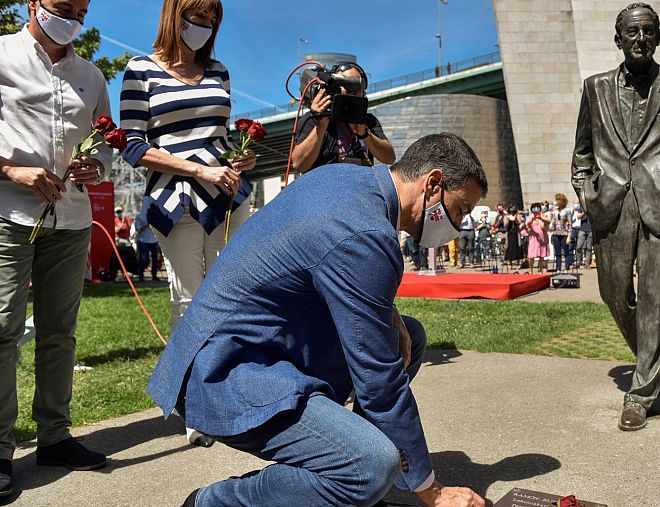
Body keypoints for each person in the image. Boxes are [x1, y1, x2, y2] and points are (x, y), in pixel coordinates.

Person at [147, 133, 487, 507]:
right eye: (460, 209)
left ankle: (359, 487)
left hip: (251, 344)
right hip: (224, 371)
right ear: (433, 183)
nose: (456, 223)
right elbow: (380, 384)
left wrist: (385, 310)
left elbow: (325, 253)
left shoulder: (349, 182)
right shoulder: (367, 232)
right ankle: (216, 502)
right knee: (371, 465)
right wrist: (433, 492)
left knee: (410, 336)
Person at [120, 0, 256, 447]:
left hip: (226, 194)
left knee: (234, 297)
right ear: (173, 16)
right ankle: (196, 403)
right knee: (190, 299)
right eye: (196, 18)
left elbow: (219, 135)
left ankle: (232, 390)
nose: (203, 27)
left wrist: (242, 155)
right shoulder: (140, 70)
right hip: (175, 197)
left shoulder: (219, 70)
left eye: (211, 21)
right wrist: (197, 169)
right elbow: (134, 147)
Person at [571, 3, 660, 431]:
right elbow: (582, 151)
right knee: (614, 295)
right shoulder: (594, 88)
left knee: (656, 301)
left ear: (658, 36)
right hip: (611, 207)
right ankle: (655, 355)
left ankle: (642, 391)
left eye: (648, 31)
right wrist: (587, 188)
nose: (641, 39)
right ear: (618, 39)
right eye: (632, 32)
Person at [0, 0, 111, 493]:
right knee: (2, 329)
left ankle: (54, 435)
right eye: (62, 8)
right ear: (33, 5)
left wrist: (97, 167)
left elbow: (107, 143)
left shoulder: (91, 75)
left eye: (80, 11)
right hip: (8, 213)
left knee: (59, 331)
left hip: (72, 218)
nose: (72, 19)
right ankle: (0, 448)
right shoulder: (2, 54)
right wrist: (10, 169)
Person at [290, 61, 395, 173]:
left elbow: (389, 158)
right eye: (346, 86)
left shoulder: (368, 120)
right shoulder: (313, 119)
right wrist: (321, 125)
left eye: (356, 88)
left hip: (360, 187)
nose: (351, 93)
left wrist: (364, 133)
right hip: (326, 187)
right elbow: (298, 165)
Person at [134, 205, 161, 282]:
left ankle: (154, 275)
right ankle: (141, 276)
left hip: (153, 240)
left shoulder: (155, 216)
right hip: (143, 240)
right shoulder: (139, 217)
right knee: (143, 259)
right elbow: (138, 229)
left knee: (155, 258)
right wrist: (148, 224)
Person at [549, 193, 574, 272]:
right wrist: (552, 232)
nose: (557, 202)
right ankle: (558, 268)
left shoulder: (567, 211)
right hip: (556, 233)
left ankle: (566, 268)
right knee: (557, 252)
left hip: (565, 233)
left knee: (566, 251)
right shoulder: (555, 211)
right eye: (556, 200)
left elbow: (570, 223)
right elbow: (553, 222)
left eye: (558, 200)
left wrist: (569, 236)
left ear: (562, 201)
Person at [525, 203, 549, 273]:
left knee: (541, 255)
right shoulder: (530, 216)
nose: (536, 210)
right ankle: (530, 269)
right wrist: (532, 219)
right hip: (533, 238)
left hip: (542, 237)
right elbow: (528, 224)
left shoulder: (543, 216)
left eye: (537, 208)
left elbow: (546, 226)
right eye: (534, 208)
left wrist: (542, 219)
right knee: (531, 255)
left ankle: (540, 269)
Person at [574, 202, 593, 268]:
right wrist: (584, 212)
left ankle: (587, 263)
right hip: (582, 229)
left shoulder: (593, 207)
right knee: (578, 246)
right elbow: (578, 217)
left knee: (589, 248)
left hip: (591, 230)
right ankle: (579, 262)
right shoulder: (581, 208)